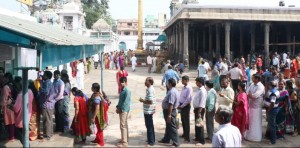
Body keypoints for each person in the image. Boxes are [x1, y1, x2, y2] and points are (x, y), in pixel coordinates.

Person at [159, 78, 180, 147]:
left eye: (167, 83)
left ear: (170, 84)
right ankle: (166, 139)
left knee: (172, 126)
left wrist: (169, 115)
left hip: (170, 111)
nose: (167, 85)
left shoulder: (172, 92)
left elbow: (171, 104)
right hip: (169, 110)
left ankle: (176, 142)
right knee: (168, 125)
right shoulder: (172, 91)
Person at [245, 74, 265, 142]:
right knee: (250, 121)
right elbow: (247, 92)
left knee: (256, 122)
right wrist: (250, 95)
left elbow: (255, 96)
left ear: (257, 79)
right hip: (251, 105)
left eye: (253, 78)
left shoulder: (261, 86)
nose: (252, 79)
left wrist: (251, 95)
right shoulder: (252, 84)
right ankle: (248, 136)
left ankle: (256, 137)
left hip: (257, 107)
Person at [139, 77, 156, 146]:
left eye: (146, 81)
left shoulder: (150, 90)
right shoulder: (148, 89)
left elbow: (150, 101)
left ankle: (151, 142)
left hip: (149, 111)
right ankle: (151, 138)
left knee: (149, 126)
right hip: (148, 110)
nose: (145, 82)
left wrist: (142, 101)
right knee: (149, 125)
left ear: (150, 82)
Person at [116, 77, 131, 147]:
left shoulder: (127, 90)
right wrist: (117, 106)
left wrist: (120, 109)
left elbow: (126, 102)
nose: (120, 84)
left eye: (122, 82)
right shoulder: (122, 90)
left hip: (124, 110)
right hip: (121, 109)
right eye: (120, 82)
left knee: (123, 125)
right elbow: (121, 101)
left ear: (125, 82)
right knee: (124, 124)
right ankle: (125, 138)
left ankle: (124, 143)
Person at [40, 71, 55, 141]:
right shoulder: (47, 82)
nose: (42, 76)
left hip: (47, 104)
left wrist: (40, 89)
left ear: (47, 76)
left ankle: (47, 136)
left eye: (44, 75)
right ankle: (50, 134)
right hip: (49, 104)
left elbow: (46, 92)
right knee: (49, 120)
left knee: (47, 120)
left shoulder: (47, 83)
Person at [1, 72, 16, 141]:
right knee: (12, 121)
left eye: (4, 77)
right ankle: (12, 136)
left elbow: (4, 98)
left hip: (8, 105)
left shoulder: (5, 87)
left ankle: (11, 137)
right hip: (13, 104)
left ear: (7, 78)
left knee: (9, 122)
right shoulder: (12, 84)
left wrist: (1, 105)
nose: (3, 79)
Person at [178, 76, 192, 142]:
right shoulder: (183, 87)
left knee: (186, 122)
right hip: (181, 105)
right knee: (183, 120)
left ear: (186, 80)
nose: (181, 81)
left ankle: (187, 137)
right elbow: (181, 96)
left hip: (185, 106)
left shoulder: (189, 88)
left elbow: (188, 99)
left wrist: (182, 106)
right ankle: (184, 134)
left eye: (183, 80)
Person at [193, 77, 207, 145]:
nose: (196, 83)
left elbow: (202, 101)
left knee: (200, 124)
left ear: (200, 83)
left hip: (200, 109)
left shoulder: (202, 90)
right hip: (197, 109)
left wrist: (199, 111)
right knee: (197, 123)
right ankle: (197, 137)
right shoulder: (198, 89)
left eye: (197, 82)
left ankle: (201, 141)